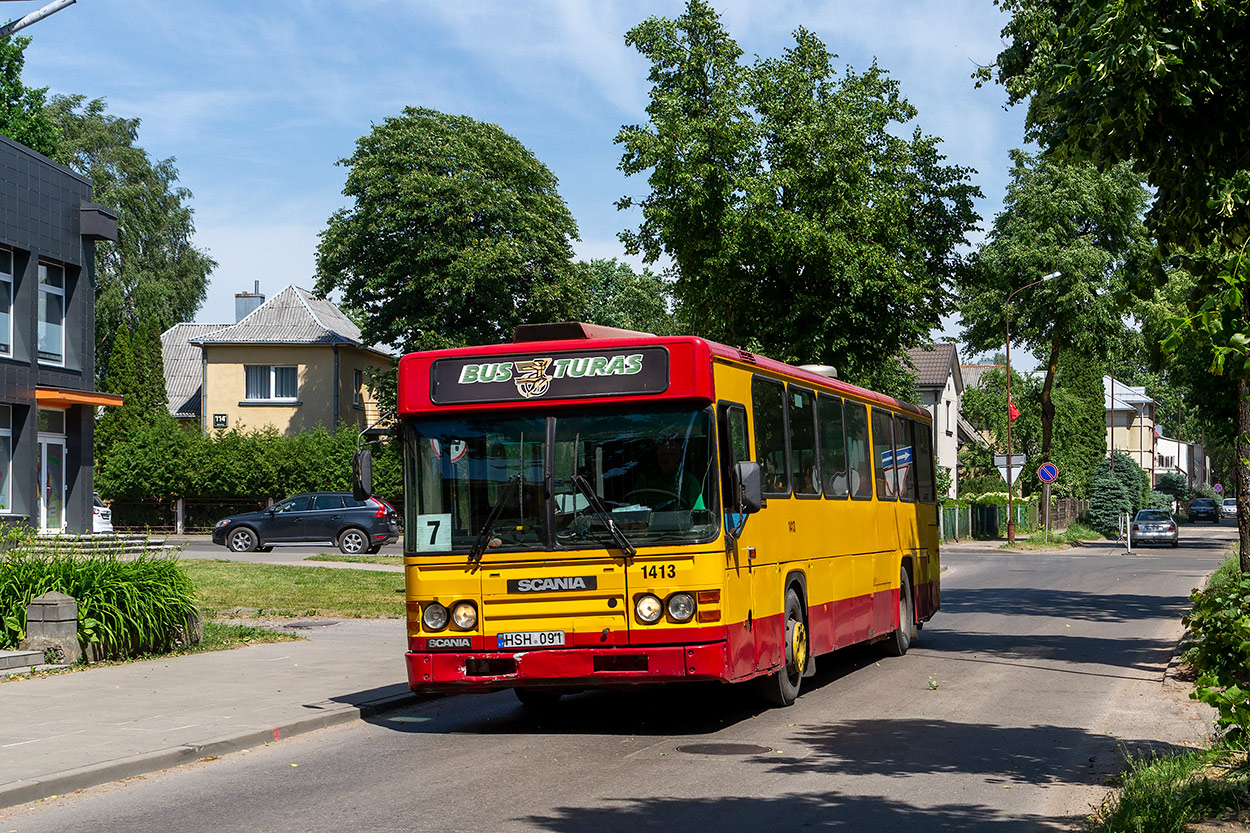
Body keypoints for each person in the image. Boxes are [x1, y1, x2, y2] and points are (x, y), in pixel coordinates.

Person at [628, 437, 705, 510]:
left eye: (671, 454)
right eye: (663, 454)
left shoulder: (689, 482)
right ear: (657, 455)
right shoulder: (645, 481)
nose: (666, 458)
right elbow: (631, 510)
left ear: (678, 457)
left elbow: (698, 514)